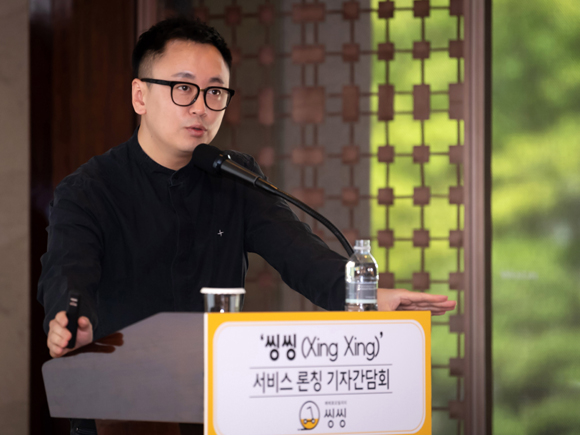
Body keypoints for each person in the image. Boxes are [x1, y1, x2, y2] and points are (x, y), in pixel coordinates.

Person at [38, 17, 456, 433]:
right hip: (121, 410)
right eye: (183, 88)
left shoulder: (234, 176)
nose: (201, 107)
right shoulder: (89, 189)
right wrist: (71, 321)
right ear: (140, 96)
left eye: (215, 91)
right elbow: (68, 272)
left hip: (219, 408)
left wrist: (367, 298)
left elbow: (301, 255)